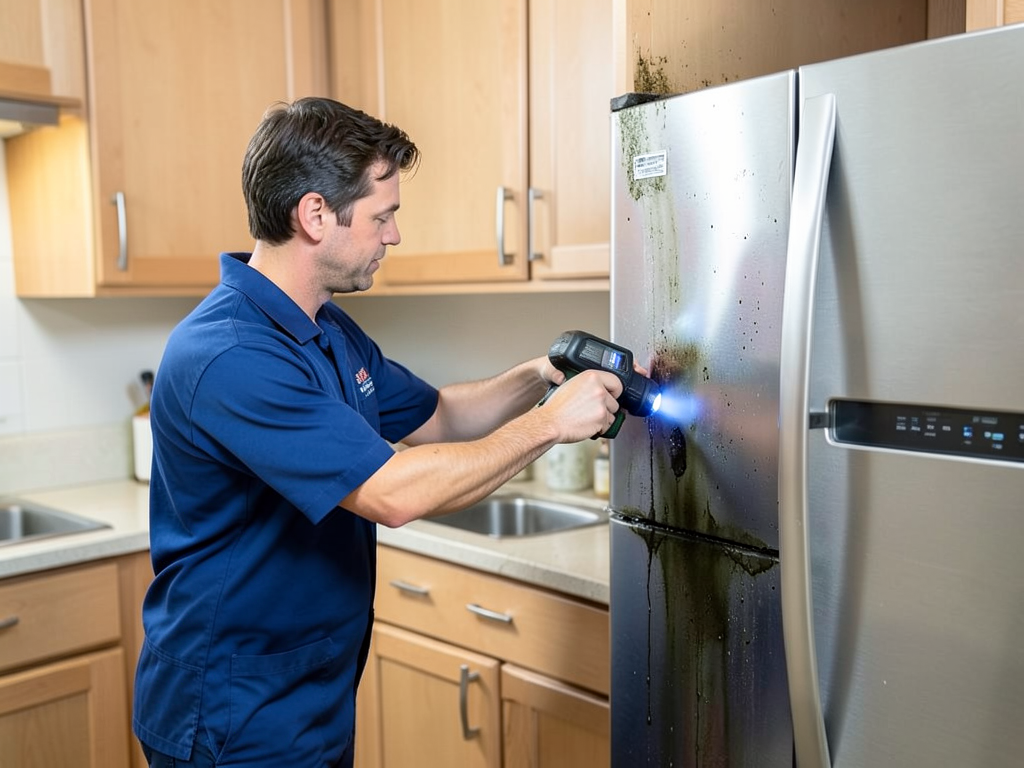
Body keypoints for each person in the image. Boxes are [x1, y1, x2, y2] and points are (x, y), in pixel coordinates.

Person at [132, 97, 622, 768]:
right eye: (382, 216)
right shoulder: (229, 355)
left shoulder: (325, 330)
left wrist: (543, 373)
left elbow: (441, 417)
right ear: (314, 215)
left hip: (310, 698)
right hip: (231, 714)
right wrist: (550, 426)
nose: (393, 236)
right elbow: (392, 494)